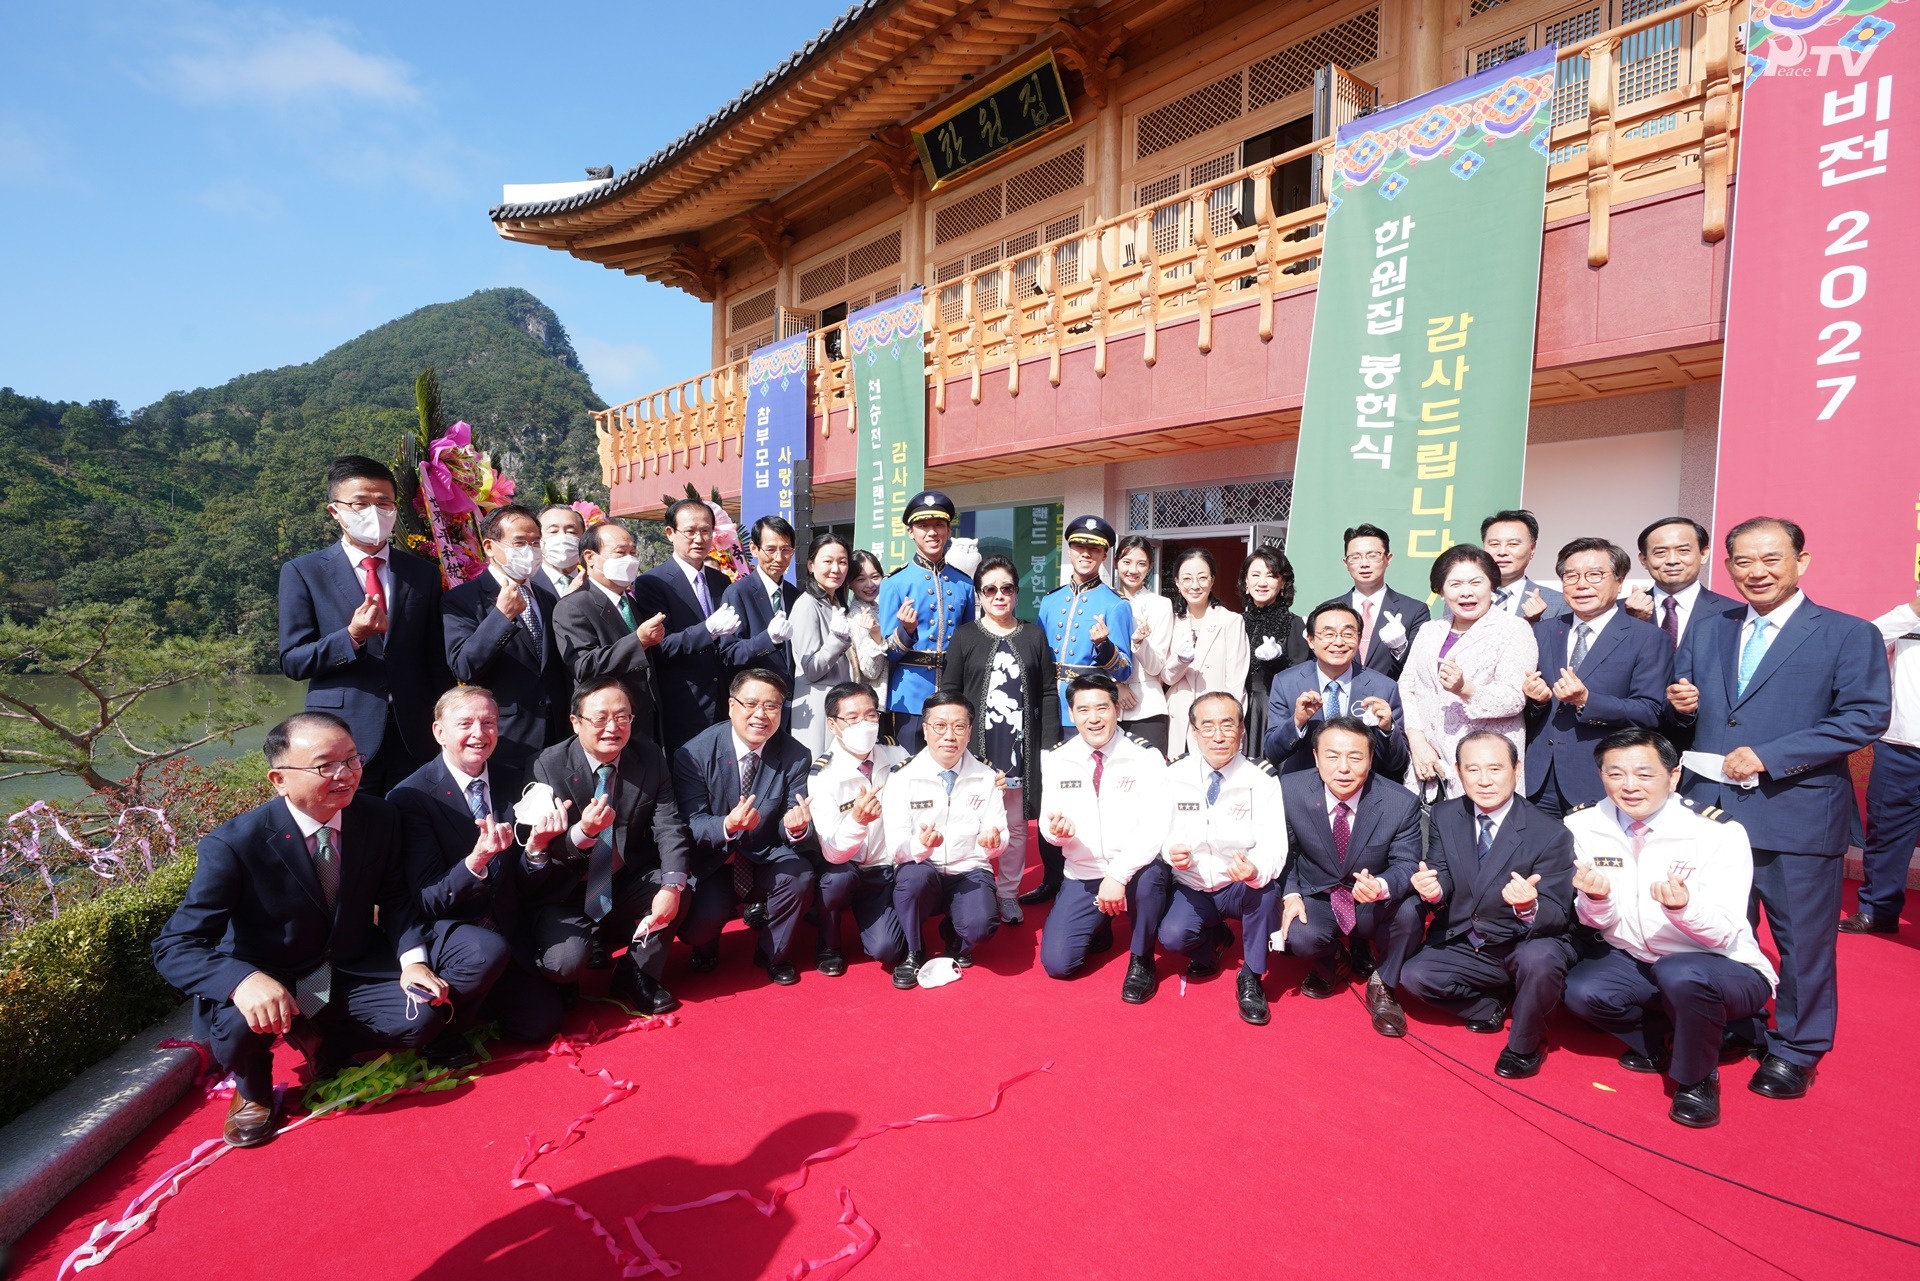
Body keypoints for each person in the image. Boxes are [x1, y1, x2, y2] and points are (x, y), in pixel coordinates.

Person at [152, 713, 460, 1147]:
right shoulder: (233, 845)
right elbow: (175, 945)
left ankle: (320, 1035)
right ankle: (252, 1090)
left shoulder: (378, 817)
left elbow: (394, 898)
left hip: (340, 968)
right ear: (279, 779)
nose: (346, 775)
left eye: (353, 760)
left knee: (421, 1016)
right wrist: (242, 981)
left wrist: (413, 962)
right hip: (270, 977)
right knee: (241, 1027)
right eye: (325, 766)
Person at [1667, 517, 1890, 1098]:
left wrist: (1769, 756)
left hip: (1795, 812)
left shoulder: (1847, 632)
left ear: (1802, 562)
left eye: (1771, 559)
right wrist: (1682, 705)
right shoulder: (1710, 628)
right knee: (1717, 930)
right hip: (1712, 814)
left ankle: (1797, 1047)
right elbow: (1693, 715)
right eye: (1742, 561)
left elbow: (1865, 717)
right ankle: (1734, 1024)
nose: (1756, 572)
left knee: (1803, 942)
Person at [1563, 729, 1778, 1128]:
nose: (1629, 787)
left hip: (1720, 963)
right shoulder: (1583, 825)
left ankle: (1697, 1079)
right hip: (1637, 958)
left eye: (1644, 774)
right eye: (1615, 774)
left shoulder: (1717, 832)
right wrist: (1594, 900)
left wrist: (1683, 908)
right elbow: (1600, 923)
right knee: (1580, 992)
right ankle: (1673, 1035)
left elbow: (1724, 933)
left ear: (1674, 776)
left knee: (1680, 972)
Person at [389, 687, 563, 1053]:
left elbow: (524, 883)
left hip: (507, 925)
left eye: (489, 723)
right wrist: (476, 861)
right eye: (465, 724)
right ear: (439, 732)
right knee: (485, 953)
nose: (479, 734)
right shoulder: (411, 797)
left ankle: (489, 996)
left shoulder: (515, 780)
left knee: (542, 1023)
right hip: (454, 934)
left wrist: (537, 849)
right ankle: (443, 1024)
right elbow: (427, 900)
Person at [1396, 731, 1577, 1079]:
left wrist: (1528, 906)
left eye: (1495, 769)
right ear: (1459, 773)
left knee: (1539, 959)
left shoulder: (1550, 833)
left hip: (1524, 940)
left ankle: (1526, 1045)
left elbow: (1558, 915)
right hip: (1471, 938)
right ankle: (1493, 1003)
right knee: (1415, 977)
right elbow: (1444, 874)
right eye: (1473, 770)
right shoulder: (1446, 815)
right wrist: (1433, 890)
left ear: (1517, 768)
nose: (1484, 781)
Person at [278, 456, 450, 795]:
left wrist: (443, 723)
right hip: (344, 736)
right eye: (360, 503)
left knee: (415, 827)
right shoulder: (304, 572)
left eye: (383, 503)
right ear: (336, 511)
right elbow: (293, 661)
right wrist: (352, 636)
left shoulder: (422, 573)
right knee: (354, 834)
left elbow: (436, 660)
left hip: (415, 735)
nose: (374, 512)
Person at [525, 677, 690, 1016]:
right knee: (565, 964)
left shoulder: (649, 758)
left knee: (679, 886)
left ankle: (635, 973)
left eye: (622, 716)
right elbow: (544, 849)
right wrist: (583, 831)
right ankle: (564, 979)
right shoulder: (547, 765)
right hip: (566, 889)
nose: (612, 728)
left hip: (623, 879)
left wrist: (672, 883)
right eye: (600, 718)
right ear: (576, 722)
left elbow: (669, 826)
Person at [1276, 717, 1423, 1036]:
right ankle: (1334, 958)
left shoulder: (1401, 803)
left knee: (1412, 911)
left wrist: (1381, 886)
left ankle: (1384, 981)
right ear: (1315, 757)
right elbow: (1284, 852)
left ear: (1370, 759)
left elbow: (1408, 864)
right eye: (1332, 756)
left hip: (1373, 900)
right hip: (1320, 892)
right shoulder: (1290, 789)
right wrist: (1290, 895)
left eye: (1355, 757)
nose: (1343, 767)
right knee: (1300, 937)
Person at [672, 668, 818, 985]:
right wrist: (727, 824)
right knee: (697, 927)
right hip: (715, 861)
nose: (760, 715)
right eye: (751, 704)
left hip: (764, 854)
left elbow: (789, 817)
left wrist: (794, 828)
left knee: (801, 875)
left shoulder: (795, 755)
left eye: (772, 706)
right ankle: (706, 944)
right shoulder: (694, 754)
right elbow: (691, 823)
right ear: (731, 706)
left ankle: (772, 953)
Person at [1037, 674, 1174, 1002]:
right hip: (1083, 872)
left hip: (1135, 869)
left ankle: (1141, 959)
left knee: (1150, 879)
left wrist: (1117, 874)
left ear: (1117, 709)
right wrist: (1056, 832)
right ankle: (1101, 924)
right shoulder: (1057, 758)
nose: (1093, 718)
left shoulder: (1144, 756)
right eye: (1083, 710)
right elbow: (1047, 820)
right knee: (1058, 963)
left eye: (1102, 708)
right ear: (1071, 714)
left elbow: (1157, 825)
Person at [1156, 692, 1288, 1026]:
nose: (1218, 736)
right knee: (1172, 937)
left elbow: (1275, 844)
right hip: (1193, 882)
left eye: (1227, 725)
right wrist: (1171, 851)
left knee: (1267, 891)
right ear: (1193, 731)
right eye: (1208, 726)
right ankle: (1215, 941)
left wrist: (1255, 868)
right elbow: (1159, 831)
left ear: (1242, 729)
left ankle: (1252, 976)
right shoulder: (1174, 775)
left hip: (1237, 884)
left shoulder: (1262, 779)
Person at [940, 555, 1059, 922]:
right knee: (972, 816)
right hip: (977, 745)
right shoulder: (965, 636)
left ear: (1016, 593)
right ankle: (975, 889)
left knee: (1016, 822)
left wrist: (1047, 747)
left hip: (1019, 747)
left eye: (1006, 588)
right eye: (990, 589)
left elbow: (1048, 692)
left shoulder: (1034, 635)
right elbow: (951, 690)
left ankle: (1008, 894)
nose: (999, 595)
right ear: (979, 595)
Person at [1522, 537, 1671, 817]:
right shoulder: (1543, 632)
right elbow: (1530, 710)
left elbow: (1650, 712)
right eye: (1571, 576)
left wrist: (1587, 700)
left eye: (1594, 575)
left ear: (1620, 580)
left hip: (1600, 779)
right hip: (1539, 781)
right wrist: (1537, 701)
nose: (1581, 584)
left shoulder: (1647, 638)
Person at [884, 691, 1009, 987]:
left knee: (980, 929)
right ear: (925, 730)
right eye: (940, 726)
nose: (949, 736)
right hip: (922, 867)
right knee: (913, 879)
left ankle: (955, 930)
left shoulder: (986, 776)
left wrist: (993, 841)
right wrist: (922, 845)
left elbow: (1000, 833)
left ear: (969, 731)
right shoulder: (903, 777)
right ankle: (914, 952)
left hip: (968, 869)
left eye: (958, 726)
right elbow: (896, 847)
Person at [442, 504, 572, 776]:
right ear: (489, 547)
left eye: (536, 542)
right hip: (507, 736)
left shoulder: (546, 597)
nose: (530, 550)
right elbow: (463, 666)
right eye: (519, 543)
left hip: (557, 734)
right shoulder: (463, 599)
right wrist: (501, 617)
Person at [1400, 544, 1538, 798]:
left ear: (1492, 586)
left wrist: (1466, 689)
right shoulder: (1430, 630)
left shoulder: (1513, 629)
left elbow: (1514, 699)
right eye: (1455, 584)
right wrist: (1417, 742)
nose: (1466, 593)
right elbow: (1408, 686)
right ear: (1441, 591)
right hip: (1430, 763)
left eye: (1476, 582)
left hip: (1485, 766)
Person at [807, 681, 911, 972]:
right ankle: (828, 943)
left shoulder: (896, 755)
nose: (863, 725)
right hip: (845, 866)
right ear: (832, 724)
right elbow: (832, 852)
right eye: (852, 718)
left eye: (870, 715)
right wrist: (857, 821)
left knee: (887, 949)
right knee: (836, 880)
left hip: (884, 868)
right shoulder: (822, 775)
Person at [632, 498, 742, 751]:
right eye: (690, 531)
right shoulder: (653, 583)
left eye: (705, 531)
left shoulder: (721, 581)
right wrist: (707, 631)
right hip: (683, 702)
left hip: (724, 698)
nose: (699, 539)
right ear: (670, 533)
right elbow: (660, 646)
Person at [1262, 601, 1406, 779]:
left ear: (1359, 639)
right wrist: (1297, 722)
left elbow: (1397, 762)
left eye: (1347, 634)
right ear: (1311, 640)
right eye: (1328, 634)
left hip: (1362, 792)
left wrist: (1387, 729)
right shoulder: (1286, 682)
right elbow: (1273, 752)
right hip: (1303, 792)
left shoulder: (1384, 687)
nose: (1338, 642)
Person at [1847, 586, 1920, 934]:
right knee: (1887, 833)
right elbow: (1865, 642)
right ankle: (1877, 910)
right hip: (1901, 746)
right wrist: (1914, 610)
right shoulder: (1904, 617)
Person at [879, 490, 976, 754]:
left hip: (953, 694)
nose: (931, 532)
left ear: (948, 530)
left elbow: (969, 645)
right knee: (906, 770)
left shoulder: (964, 584)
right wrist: (905, 631)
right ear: (911, 532)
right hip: (908, 697)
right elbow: (886, 654)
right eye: (923, 526)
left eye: (938, 525)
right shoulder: (894, 583)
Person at [552, 521, 667, 738]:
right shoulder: (573, 606)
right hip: (607, 727)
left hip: (645, 722)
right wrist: (639, 641)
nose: (630, 560)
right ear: (590, 557)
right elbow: (583, 665)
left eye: (633, 552)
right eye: (620, 553)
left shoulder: (631, 603)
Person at [1038, 515, 1135, 727]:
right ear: (1069, 550)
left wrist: (1104, 646)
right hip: (1046, 706)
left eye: (1094, 549)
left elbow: (1125, 669)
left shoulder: (1116, 604)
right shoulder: (1049, 600)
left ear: (1104, 555)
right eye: (1079, 546)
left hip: (1087, 711)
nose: (1085, 553)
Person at [1162, 548, 1251, 760]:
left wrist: (1232, 725)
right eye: (1187, 579)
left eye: (1202, 578)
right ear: (1177, 582)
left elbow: (1236, 682)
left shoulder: (1230, 621)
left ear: (1212, 580)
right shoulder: (1171, 621)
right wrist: (1180, 661)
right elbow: (1166, 676)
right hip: (1178, 721)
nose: (1195, 585)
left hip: (1216, 722)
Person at [1322, 524, 1428, 680]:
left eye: (1373, 555)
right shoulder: (1326, 611)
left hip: (1390, 700)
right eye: (1355, 557)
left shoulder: (1415, 610)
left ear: (1388, 559)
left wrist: (1400, 647)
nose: (1364, 563)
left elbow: (1422, 667)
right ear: (1346, 563)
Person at [1622, 516, 1739, 649]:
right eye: (1660, 553)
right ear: (1644, 560)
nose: (1672, 560)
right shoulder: (1617, 612)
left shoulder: (1733, 614)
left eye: (1683, 551)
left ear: (1703, 554)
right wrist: (1632, 621)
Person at [720, 515, 804, 698]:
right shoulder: (738, 593)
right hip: (757, 699)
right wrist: (768, 639)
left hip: (794, 699)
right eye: (771, 550)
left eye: (786, 550)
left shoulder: (794, 595)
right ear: (754, 549)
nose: (778, 558)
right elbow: (729, 653)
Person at [789, 532, 857, 755]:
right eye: (827, 561)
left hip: (838, 704)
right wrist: (837, 640)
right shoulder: (807, 605)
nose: (836, 569)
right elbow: (811, 668)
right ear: (811, 565)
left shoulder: (834, 601)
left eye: (842, 562)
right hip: (817, 708)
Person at [1239, 546, 1310, 756]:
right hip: (1236, 707)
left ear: (1283, 583)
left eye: (1271, 576)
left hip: (1272, 709)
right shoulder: (1235, 622)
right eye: (1255, 575)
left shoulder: (1296, 625)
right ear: (1245, 582)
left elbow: (1299, 677)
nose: (1262, 582)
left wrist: (1275, 661)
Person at [1113, 535, 1174, 757]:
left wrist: (1140, 643)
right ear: (1116, 562)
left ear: (1149, 567)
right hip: (1107, 707)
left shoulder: (1161, 605)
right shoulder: (1102, 599)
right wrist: (1115, 685)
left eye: (1141, 563)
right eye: (1127, 562)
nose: (1133, 569)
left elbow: (1157, 666)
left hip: (1147, 705)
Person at [1480, 510, 1565, 624]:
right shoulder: (1462, 597)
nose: (1502, 552)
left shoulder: (1558, 602)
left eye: (1513, 544)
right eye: (1494, 544)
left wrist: (1534, 623)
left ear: (1532, 549)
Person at [846, 548, 891, 712]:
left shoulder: (882, 610)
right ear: (849, 583)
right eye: (860, 579)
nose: (870, 585)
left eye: (875, 577)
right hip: (874, 706)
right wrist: (875, 634)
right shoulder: (856, 618)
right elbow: (871, 671)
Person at [537, 503, 588, 598]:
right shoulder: (527, 585)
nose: (562, 537)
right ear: (538, 538)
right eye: (553, 531)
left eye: (571, 532)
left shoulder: (595, 585)